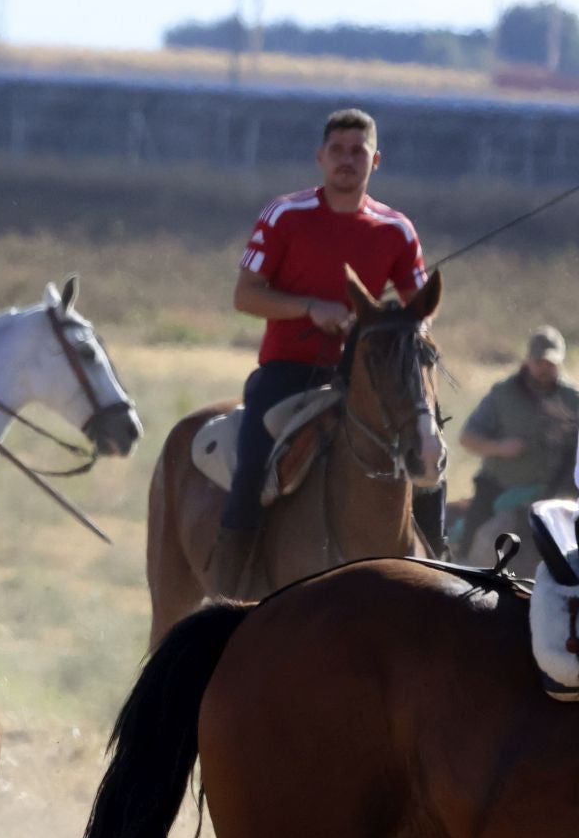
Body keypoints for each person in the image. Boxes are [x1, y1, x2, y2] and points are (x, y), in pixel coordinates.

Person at [217, 107, 435, 595]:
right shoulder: (284, 215)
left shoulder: (396, 230)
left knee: (425, 444)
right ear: (320, 157)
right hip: (288, 370)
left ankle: (437, 563)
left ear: (375, 161)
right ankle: (231, 582)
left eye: (358, 152)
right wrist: (309, 308)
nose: (346, 160)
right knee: (253, 458)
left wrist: (382, 328)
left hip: (367, 375)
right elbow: (245, 295)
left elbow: (421, 309)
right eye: (337, 150)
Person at [457, 326, 579, 551]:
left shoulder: (573, 399)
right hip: (498, 488)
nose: (544, 368)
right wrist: (499, 447)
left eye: (551, 363)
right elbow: (467, 437)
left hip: (554, 493)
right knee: (472, 539)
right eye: (539, 362)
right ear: (528, 360)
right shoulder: (502, 394)